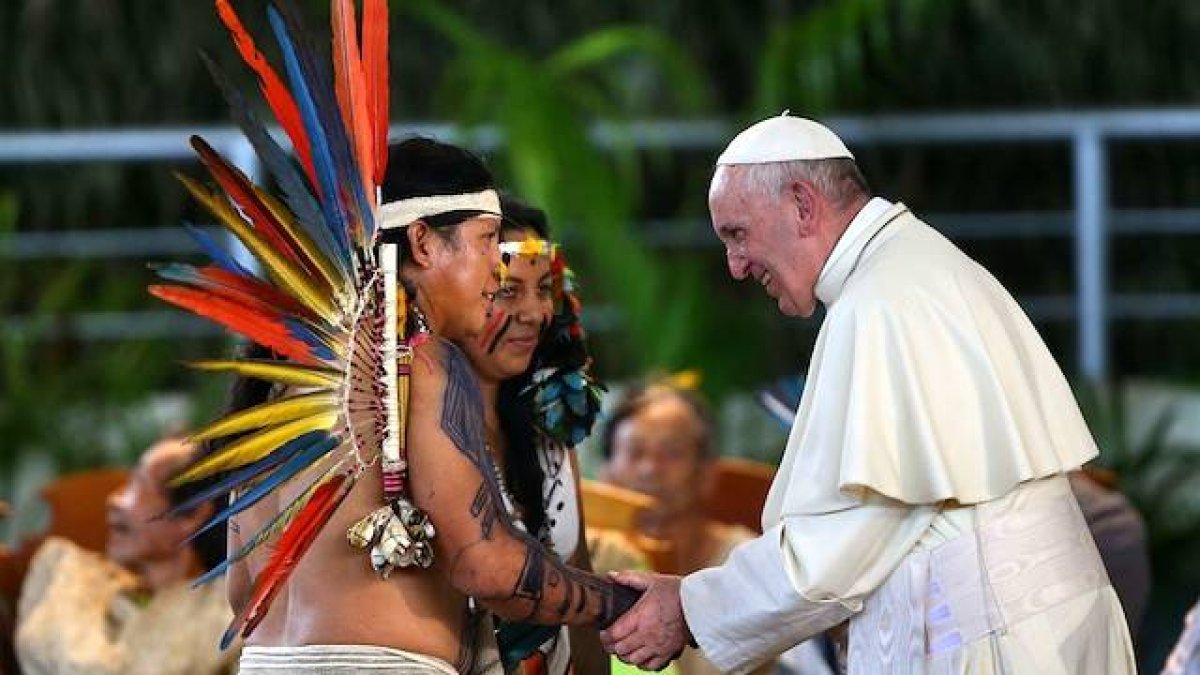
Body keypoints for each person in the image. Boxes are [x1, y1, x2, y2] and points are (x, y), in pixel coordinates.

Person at [600, 113, 1136, 673]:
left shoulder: (881, 303)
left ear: (803, 206)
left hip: (994, 646)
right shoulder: (909, 270)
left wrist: (688, 608)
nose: (735, 266)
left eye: (737, 234)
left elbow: (846, 535)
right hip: (1030, 633)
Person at [217, 137, 638, 675]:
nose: (497, 271)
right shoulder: (423, 363)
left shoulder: (281, 381)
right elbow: (485, 566)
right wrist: (621, 602)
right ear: (423, 243)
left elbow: (242, 592)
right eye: (487, 241)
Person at [455, 195, 608, 675]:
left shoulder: (549, 432)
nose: (534, 312)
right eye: (507, 291)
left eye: (543, 289)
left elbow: (580, 588)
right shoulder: (409, 439)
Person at [601, 382, 832, 675]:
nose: (650, 469)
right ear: (606, 472)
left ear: (707, 472)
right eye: (635, 453)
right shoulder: (591, 558)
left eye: (671, 453)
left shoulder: (752, 564)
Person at [14, 435, 235, 675]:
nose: (112, 500)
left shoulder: (223, 616)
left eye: (137, 485)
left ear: (191, 515)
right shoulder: (66, 568)